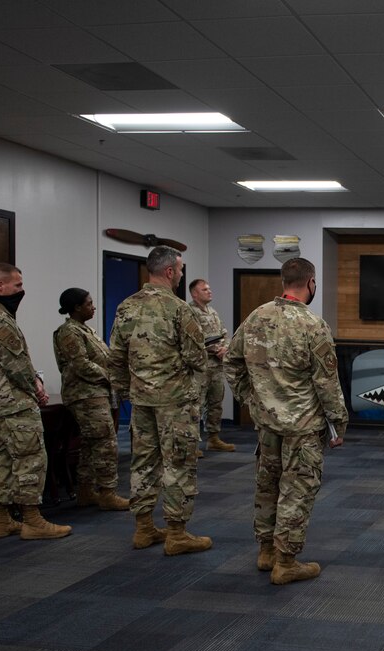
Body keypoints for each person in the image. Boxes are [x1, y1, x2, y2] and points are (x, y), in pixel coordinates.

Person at [225, 257, 348, 585]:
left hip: (266, 423)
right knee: (297, 489)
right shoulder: (312, 324)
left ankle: (266, 551)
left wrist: (250, 400)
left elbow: (232, 362)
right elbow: (327, 381)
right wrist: (339, 423)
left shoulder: (256, 316)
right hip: (302, 426)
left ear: (284, 282)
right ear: (311, 283)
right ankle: (286, 561)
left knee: (267, 485)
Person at [108, 246, 209, 556]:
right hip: (175, 402)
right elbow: (196, 357)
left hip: (141, 401)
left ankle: (143, 527)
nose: (180, 274)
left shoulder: (126, 306)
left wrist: (127, 391)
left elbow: (115, 357)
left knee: (143, 461)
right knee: (178, 463)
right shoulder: (179, 309)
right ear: (169, 272)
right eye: (179, 270)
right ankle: (177, 533)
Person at [0, 263, 71, 540]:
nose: (21, 291)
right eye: (17, 286)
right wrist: (36, 387)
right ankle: (32, 520)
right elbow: (17, 366)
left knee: (2, 457)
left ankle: (1, 520)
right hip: (13, 401)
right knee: (30, 456)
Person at [53, 288, 128, 512]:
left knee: (90, 444)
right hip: (85, 395)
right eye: (89, 303)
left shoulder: (86, 330)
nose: (93, 307)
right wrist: (111, 377)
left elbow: (103, 358)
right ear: (76, 307)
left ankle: (86, 491)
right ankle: (107, 492)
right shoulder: (69, 332)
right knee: (106, 443)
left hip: (97, 393)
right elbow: (81, 365)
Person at [188, 279, 235, 454]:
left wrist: (226, 348)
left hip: (216, 366)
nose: (209, 291)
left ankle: (213, 438)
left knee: (215, 403)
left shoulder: (213, 312)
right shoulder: (189, 312)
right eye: (205, 289)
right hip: (200, 366)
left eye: (209, 288)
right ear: (195, 293)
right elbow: (193, 339)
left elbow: (224, 334)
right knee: (196, 404)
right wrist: (216, 348)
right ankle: (192, 444)